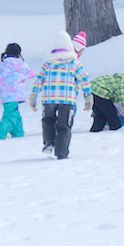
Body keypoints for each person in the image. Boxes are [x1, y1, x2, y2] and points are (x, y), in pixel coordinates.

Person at [29, 31, 92, 159]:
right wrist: (88, 96)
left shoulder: (47, 64)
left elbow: (39, 80)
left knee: (48, 121)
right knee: (64, 126)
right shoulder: (74, 63)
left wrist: (34, 95)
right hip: (67, 100)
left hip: (48, 100)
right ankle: (61, 152)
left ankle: (49, 142)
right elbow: (83, 80)